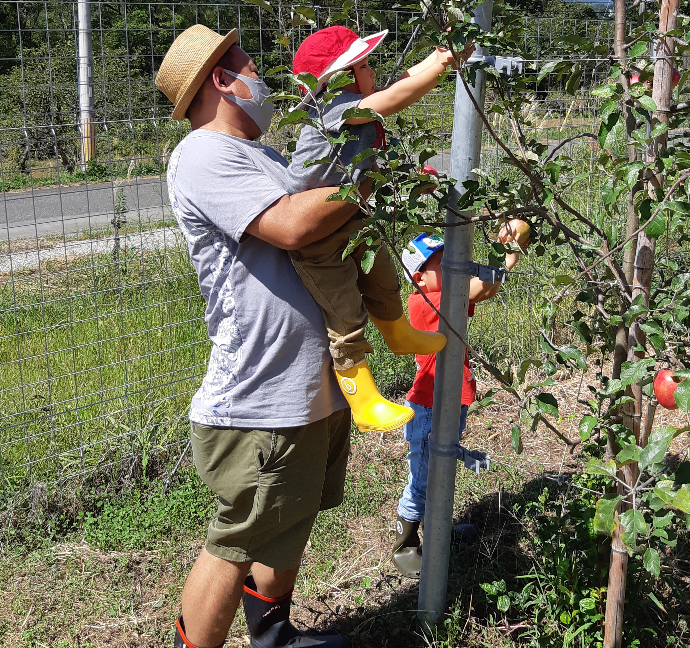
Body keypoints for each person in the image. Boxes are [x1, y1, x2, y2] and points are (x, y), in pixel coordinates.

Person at [155, 24, 369, 648]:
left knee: (287, 518)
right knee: (237, 538)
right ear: (223, 80)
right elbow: (294, 226)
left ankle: (272, 637)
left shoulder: (266, 157)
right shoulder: (203, 154)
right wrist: (366, 181)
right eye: (253, 70)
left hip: (307, 387)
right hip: (258, 395)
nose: (263, 83)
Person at [284, 26, 473, 433]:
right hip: (317, 236)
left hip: (350, 218)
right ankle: (365, 401)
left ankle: (398, 333)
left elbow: (395, 86)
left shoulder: (351, 102)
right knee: (344, 314)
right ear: (340, 80)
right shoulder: (331, 108)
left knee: (383, 278)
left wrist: (440, 55)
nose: (374, 72)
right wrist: (441, 66)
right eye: (365, 65)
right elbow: (392, 98)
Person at [390, 224, 527, 579]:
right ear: (419, 277)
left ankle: (438, 531)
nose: (451, 266)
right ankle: (404, 545)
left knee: (442, 469)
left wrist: (508, 256)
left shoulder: (444, 297)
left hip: (450, 400)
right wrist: (507, 255)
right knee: (423, 476)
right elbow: (479, 287)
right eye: (440, 263)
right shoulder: (426, 301)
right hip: (429, 406)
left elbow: (484, 291)